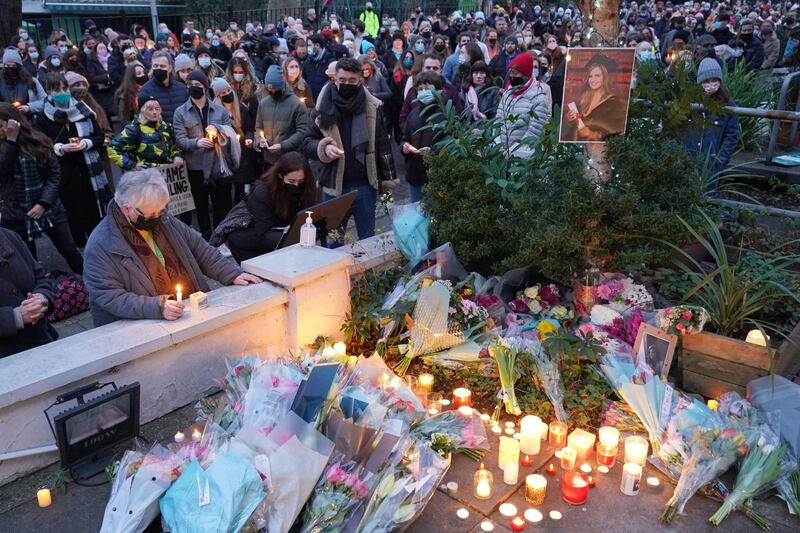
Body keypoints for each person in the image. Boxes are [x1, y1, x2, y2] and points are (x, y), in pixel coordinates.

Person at [83, 169, 261, 326]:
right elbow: (109, 296)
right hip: (140, 329)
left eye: (161, 211)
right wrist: (157, 307)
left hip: (184, 312)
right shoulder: (100, 244)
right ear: (127, 209)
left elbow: (200, 249)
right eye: (151, 214)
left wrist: (232, 274)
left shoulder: (164, 219)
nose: (157, 218)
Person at [303, 58, 396, 240]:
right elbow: (306, 142)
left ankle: (367, 270)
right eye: (342, 80)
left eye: (351, 81)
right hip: (334, 187)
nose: (346, 84)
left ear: (360, 80)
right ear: (334, 80)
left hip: (365, 185)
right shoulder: (322, 108)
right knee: (334, 241)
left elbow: (383, 145)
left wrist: (388, 181)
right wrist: (324, 147)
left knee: (368, 240)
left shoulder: (372, 107)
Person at [0, 104, 84, 274]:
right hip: (15, 212)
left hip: (49, 207)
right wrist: (11, 141)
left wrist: (43, 203)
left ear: (13, 123)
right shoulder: (4, 146)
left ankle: (91, 283)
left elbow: (54, 175)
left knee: (69, 250)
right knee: (28, 260)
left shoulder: (38, 140)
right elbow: (2, 171)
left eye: (1, 126)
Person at [36, 73, 112, 246]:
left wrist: (86, 143)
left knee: (93, 210)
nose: (62, 93)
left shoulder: (84, 111)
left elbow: (99, 137)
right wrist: (60, 148)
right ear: (48, 92)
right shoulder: (42, 118)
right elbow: (41, 145)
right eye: (56, 90)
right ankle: (80, 248)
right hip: (63, 173)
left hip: (88, 170)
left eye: (64, 88)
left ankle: (100, 245)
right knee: (73, 212)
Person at [212, 152, 318, 262]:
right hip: (249, 241)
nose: (296, 185)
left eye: (300, 181)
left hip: (279, 235)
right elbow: (264, 233)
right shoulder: (262, 192)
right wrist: (297, 237)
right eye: (291, 181)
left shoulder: (306, 187)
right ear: (280, 175)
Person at [173, 70, 234, 238]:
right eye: (191, 85)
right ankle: (207, 238)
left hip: (217, 164)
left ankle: (220, 238)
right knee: (200, 206)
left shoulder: (219, 111)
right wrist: (196, 142)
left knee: (220, 204)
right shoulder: (181, 112)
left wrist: (219, 132)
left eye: (198, 85)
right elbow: (179, 139)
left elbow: (229, 136)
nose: (194, 88)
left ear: (205, 88)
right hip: (195, 167)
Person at [0, 226, 57, 357]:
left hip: (42, 341)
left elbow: (41, 278)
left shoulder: (9, 236)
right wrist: (15, 317)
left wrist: (41, 299)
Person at [683, 58, 739, 185]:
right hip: (686, 159)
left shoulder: (728, 105)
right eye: (706, 81)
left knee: (708, 194)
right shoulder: (689, 101)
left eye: (715, 80)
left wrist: (721, 159)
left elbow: (732, 134)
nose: (711, 84)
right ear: (699, 82)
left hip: (711, 164)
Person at [254, 65, 311, 171]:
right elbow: (258, 127)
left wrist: (283, 145)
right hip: (269, 161)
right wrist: (259, 140)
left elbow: (302, 131)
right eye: (269, 89)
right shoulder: (263, 103)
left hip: (290, 160)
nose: (272, 92)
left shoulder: (296, 104)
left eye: (275, 89)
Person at [495, 52, 551, 157]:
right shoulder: (507, 93)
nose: (512, 76)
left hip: (522, 156)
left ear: (525, 75)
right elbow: (498, 121)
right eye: (510, 73)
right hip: (501, 152)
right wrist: (498, 146)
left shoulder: (538, 98)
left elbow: (533, 133)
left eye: (515, 74)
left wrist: (513, 152)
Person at [562, 54, 626, 142]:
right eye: (590, 76)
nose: (592, 80)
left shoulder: (613, 103)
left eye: (597, 76)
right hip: (576, 146)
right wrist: (568, 120)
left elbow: (615, 133)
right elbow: (571, 129)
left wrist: (592, 134)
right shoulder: (583, 100)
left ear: (605, 78)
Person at [402, 71, 445, 202]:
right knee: (417, 215)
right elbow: (405, 137)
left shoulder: (445, 115)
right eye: (420, 89)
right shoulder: (413, 114)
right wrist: (404, 147)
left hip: (437, 178)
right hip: (415, 176)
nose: (423, 92)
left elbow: (449, 144)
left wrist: (432, 151)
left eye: (427, 88)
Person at [108, 96, 184, 170]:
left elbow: (176, 147)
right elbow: (112, 149)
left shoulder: (167, 127)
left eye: (157, 109)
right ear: (142, 111)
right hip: (147, 176)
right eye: (150, 109)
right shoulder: (134, 129)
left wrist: (177, 156)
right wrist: (132, 165)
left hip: (170, 174)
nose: (154, 112)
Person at [137, 50, 189, 123]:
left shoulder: (182, 89)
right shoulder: (146, 91)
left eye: (162, 66)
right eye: (155, 66)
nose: (159, 68)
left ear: (170, 68)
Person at [0, 49, 46, 118]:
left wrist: (29, 107)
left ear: (19, 66)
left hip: (29, 121)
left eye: (13, 65)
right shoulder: (1, 83)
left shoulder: (31, 81)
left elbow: (44, 101)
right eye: (7, 66)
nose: (10, 68)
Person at [85, 41, 115, 118]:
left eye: (104, 48)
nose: (103, 50)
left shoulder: (111, 59)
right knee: (106, 113)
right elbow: (93, 77)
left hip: (113, 89)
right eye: (100, 48)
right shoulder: (92, 61)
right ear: (96, 50)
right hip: (102, 91)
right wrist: (107, 77)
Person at [304, 34, 335, 100]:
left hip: (325, 101)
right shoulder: (307, 62)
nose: (307, 48)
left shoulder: (330, 62)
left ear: (317, 45)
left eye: (309, 45)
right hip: (310, 101)